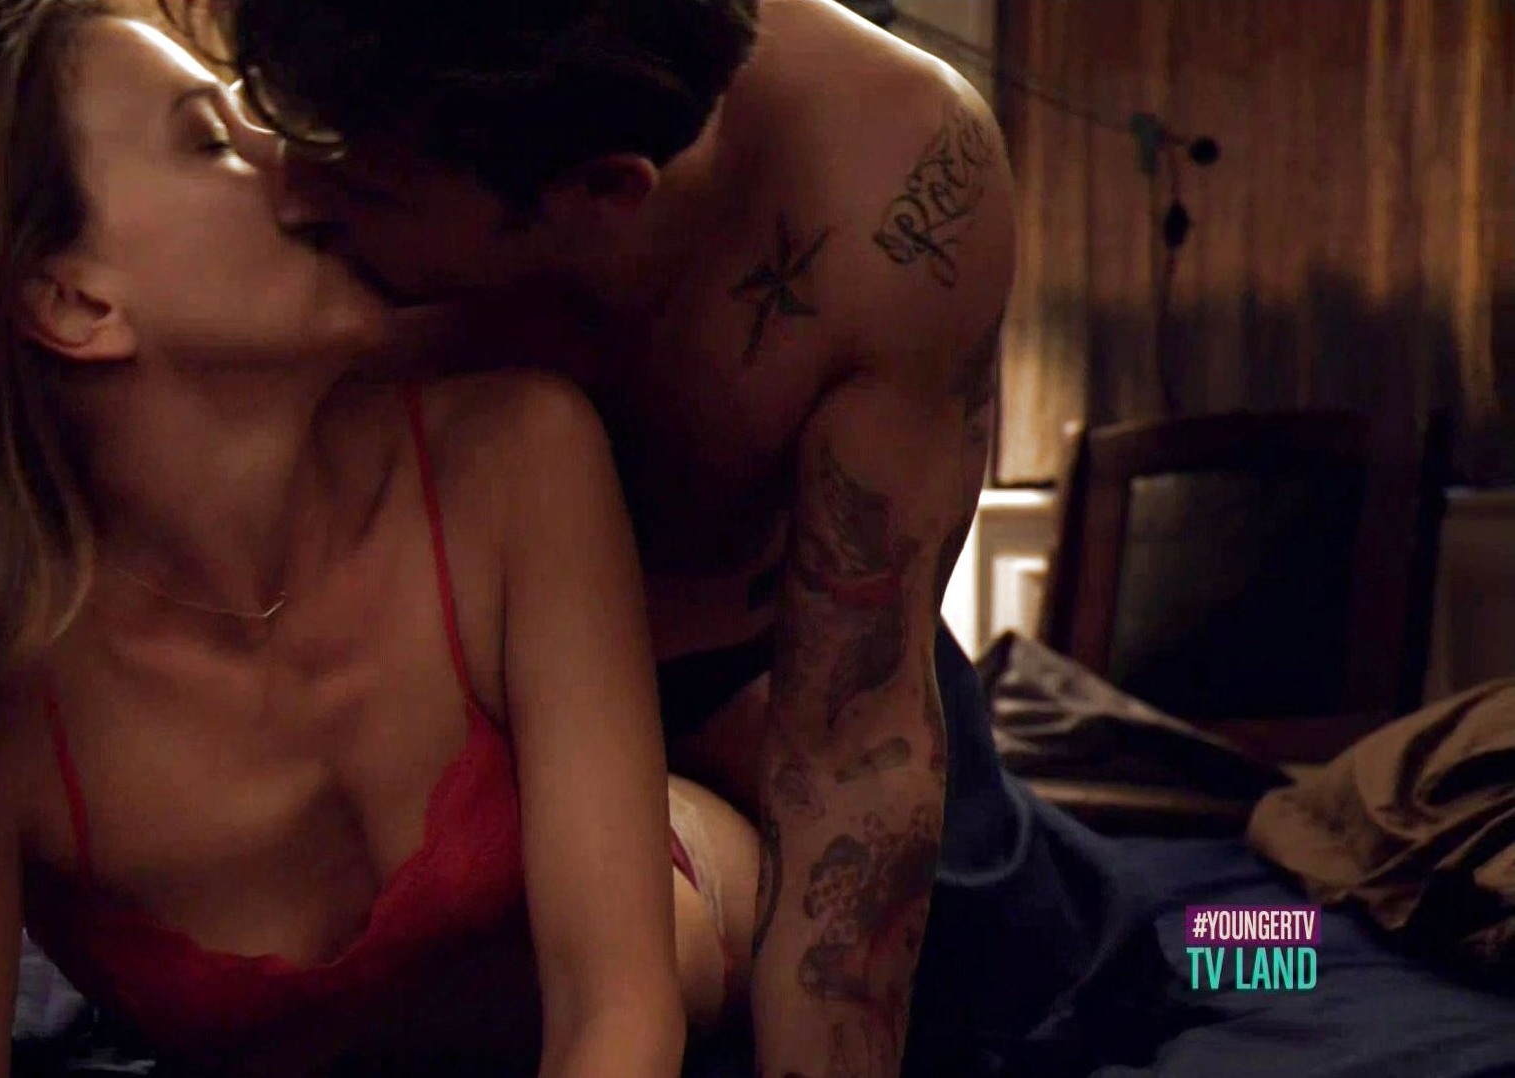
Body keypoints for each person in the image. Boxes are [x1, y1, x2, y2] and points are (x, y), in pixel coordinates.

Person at [0, 2, 760, 1076]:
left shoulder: (513, 453)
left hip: (666, 909)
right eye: (212, 140)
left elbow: (616, 1007)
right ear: (74, 301)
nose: (304, 161)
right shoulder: (0, 698)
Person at [178, 0, 1198, 1075]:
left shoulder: (880, 182)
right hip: (463, 715)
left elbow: (851, 740)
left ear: (604, 189)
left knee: (1097, 967)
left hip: (787, 668)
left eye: (369, 190)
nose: (286, 192)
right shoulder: (340, 125)